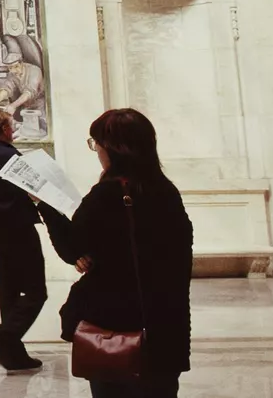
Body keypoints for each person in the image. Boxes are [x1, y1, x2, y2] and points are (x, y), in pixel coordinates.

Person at [54, 109, 193, 398]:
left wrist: (45, 206)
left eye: (97, 143)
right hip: (165, 324)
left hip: (116, 328)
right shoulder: (166, 190)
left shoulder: (107, 194)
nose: (97, 151)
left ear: (115, 148)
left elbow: (71, 246)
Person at [0, 111, 53, 372]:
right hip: (19, 230)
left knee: (8, 293)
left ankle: (13, 355)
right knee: (36, 291)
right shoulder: (10, 156)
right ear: (6, 129)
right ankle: (4, 335)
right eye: (11, 125)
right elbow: (34, 188)